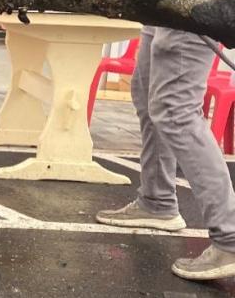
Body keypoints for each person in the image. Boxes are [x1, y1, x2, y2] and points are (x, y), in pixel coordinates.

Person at [96, 27, 235, 281]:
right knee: (147, 92)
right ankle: (157, 201)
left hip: (188, 6)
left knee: (176, 110)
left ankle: (230, 237)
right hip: (162, 9)